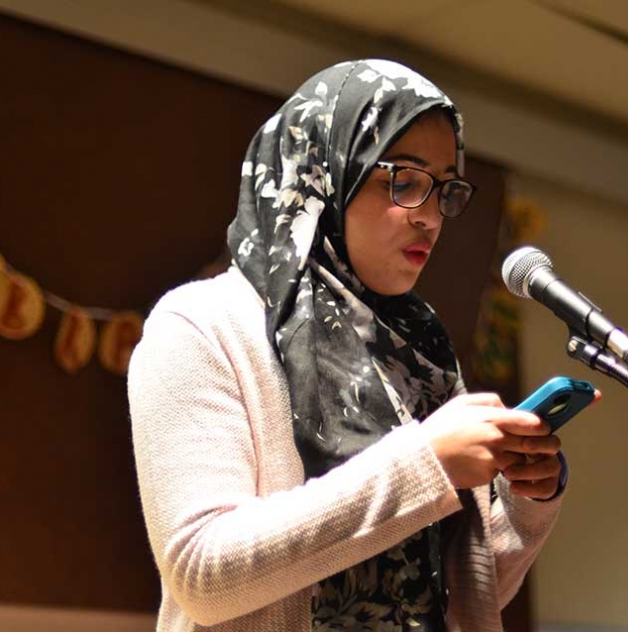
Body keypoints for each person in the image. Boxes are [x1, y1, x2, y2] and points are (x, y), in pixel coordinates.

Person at [128, 59, 564, 632]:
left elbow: (456, 599)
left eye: (446, 189)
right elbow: (204, 573)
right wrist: (425, 464)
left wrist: (525, 503)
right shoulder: (202, 323)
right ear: (325, 171)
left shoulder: (419, 353)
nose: (432, 217)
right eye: (403, 181)